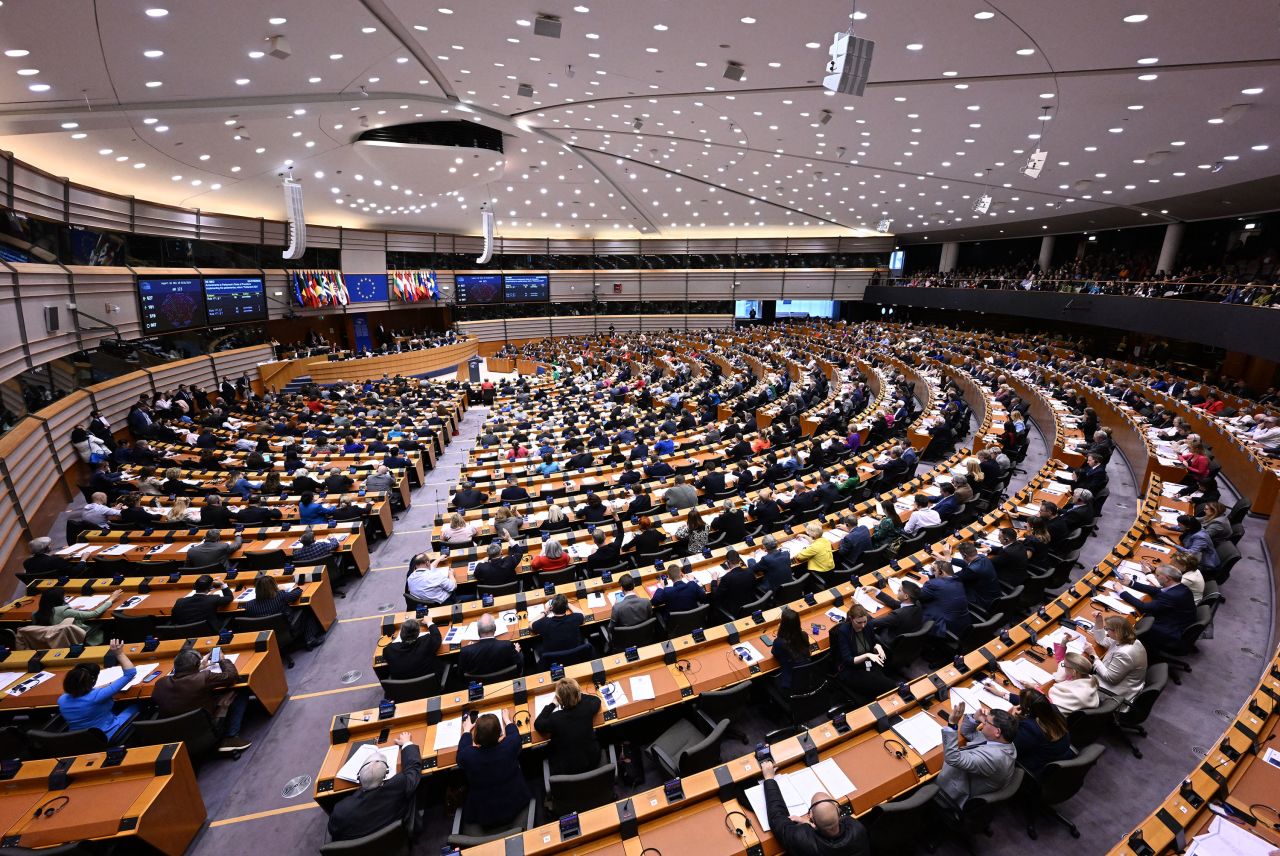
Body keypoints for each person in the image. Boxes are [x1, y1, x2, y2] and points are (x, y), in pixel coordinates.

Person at [759, 758, 870, 856]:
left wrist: (769, 779)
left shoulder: (802, 840)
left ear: (810, 817)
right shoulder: (857, 829)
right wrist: (811, 826)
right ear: (838, 811)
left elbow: (777, 818)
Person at [152, 647, 252, 753]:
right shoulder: (203, 677)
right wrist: (223, 660)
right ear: (197, 665)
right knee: (241, 689)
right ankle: (230, 737)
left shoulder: (160, 683)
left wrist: (197, 668)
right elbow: (232, 677)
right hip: (204, 729)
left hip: (174, 733)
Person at [327, 732, 422, 841]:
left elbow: (333, 831)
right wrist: (407, 743)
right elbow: (413, 770)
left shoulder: (341, 810)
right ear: (384, 779)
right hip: (394, 843)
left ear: (359, 778)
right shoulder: (398, 787)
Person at [457, 713, 532, 829]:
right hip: (515, 804)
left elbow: (461, 753)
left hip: (484, 815)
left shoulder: (469, 756)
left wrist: (466, 730)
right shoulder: (509, 746)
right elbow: (515, 735)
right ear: (500, 733)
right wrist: (507, 720)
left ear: (476, 736)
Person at [936, 703, 1018, 809]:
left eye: (987, 722)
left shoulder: (994, 758)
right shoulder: (1004, 741)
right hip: (970, 775)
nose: (983, 723)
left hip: (959, 790)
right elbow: (967, 733)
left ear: (997, 732)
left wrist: (952, 724)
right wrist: (976, 717)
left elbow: (952, 758)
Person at [57, 639, 138, 740]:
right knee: (137, 706)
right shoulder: (98, 696)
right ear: (93, 681)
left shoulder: (62, 699)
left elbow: (88, 694)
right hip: (109, 736)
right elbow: (130, 673)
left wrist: (108, 685)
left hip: (79, 741)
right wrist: (119, 653)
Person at [1111, 563, 1196, 656]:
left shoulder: (1171, 596)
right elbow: (1157, 591)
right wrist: (1131, 583)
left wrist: (1121, 592)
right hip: (1179, 621)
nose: (1156, 577)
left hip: (1169, 631)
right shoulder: (1180, 587)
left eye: (1158, 575)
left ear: (1167, 578)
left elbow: (1144, 607)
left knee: (1129, 625)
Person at [534, 677, 603, 775]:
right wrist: (576, 694)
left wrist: (552, 704)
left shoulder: (555, 718)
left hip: (566, 770)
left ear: (559, 699)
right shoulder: (588, 708)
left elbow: (538, 724)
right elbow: (596, 700)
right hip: (592, 761)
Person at [832, 604, 894, 705]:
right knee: (887, 686)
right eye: (859, 622)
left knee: (888, 685)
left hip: (867, 665)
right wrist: (867, 655)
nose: (863, 625)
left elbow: (872, 642)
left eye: (864, 621)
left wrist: (877, 646)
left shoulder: (868, 625)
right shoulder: (844, 631)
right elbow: (848, 660)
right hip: (851, 670)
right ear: (851, 619)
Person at [1009, 688, 1074, 778]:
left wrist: (1012, 719)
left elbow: (1010, 748)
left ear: (1027, 709)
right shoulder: (1052, 709)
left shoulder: (1030, 728)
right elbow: (1034, 701)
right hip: (1059, 756)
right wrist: (1004, 695)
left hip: (1035, 767)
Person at [1086, 613, 1147, 702]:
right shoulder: (1126, 639)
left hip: (1114, 692)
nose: (1106, 631)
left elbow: (1110, 679)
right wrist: (1099, 620)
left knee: (1077, 676)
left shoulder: (1124, 653)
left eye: (1107, 629)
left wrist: (1094, 655)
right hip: (1123, 681)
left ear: (1116, 632)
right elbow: (1101, 640)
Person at [33, 587, 124, 645]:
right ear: (58, 600)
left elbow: (57, 615)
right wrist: (111, 599)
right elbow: (94, 614)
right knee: (108, 622)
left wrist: (70, 609)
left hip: (53, 642)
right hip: (81, 638)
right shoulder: (63, 611)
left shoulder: (36, 613)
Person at [918, 559, 971, 640]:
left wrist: (931, 575)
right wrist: (933, 575)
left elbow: (918, 595)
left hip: (944, 628)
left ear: (941, 572)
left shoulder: (934, 584)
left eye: (934, 570)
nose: (933, 572)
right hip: (962, 625)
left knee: (913, 608)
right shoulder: (958, 581)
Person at [771, 607, 812, 692]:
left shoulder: (779, 642)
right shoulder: (804, 635)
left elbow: (774, 653)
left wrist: (779, 633)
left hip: (789, 685)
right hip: (806, 679)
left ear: (782, 625)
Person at [713, 549, 758, 617]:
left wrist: (714, 581)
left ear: (728, 562)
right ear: (740, 560)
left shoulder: (726, 578)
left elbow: (716, 595)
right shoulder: (750, 572)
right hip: (751, 604)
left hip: (736, 610)